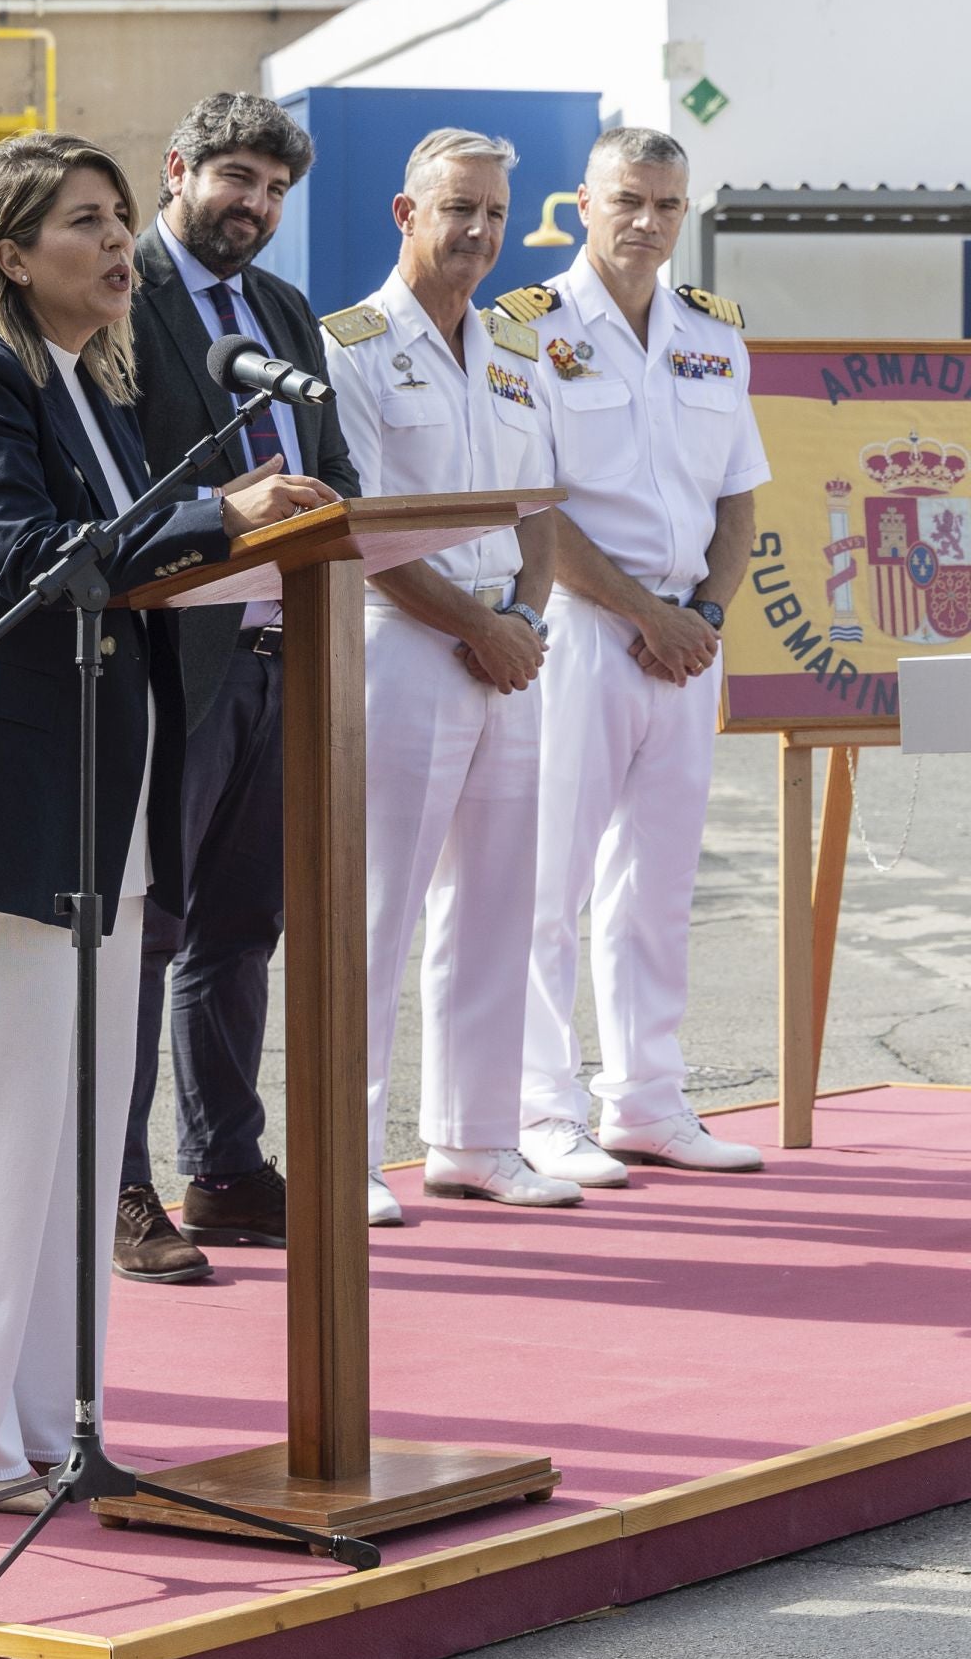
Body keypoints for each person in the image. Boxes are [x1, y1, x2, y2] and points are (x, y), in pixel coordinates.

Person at [0, 131, 325, 1510]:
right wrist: (214, 510)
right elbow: (31, 562)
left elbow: (133, 573)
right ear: (14, 253)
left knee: (72, 1128)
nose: (121, 243)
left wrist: (249, 536)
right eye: (86, 221)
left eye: (125, 218)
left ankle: (50, 1428)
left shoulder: (92, 382)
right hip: (4, 800)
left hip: (102, 800)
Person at [113, 94, 355, 1284]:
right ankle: (121, 1187)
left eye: (272, 190)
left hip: (276, 659)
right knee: (144, 937)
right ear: (179, 167)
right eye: (237, 179)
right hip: (169, 667)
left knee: (240, 929)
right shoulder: (125, 298)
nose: (253, 206)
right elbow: (109, 489)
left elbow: (339, 473)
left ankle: (225, 1169)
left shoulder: (282, 312)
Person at [322, 126, 582, 1228]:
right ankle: (343, 1154)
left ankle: (475, 1139)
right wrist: (480, 624)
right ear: (404, 215)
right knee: (372, 911)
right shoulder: (349, 344)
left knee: (496, 902)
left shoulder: (514, 350)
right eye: (455, 210)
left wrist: (520, 617)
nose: (476, 233)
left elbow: (539, 509)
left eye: (490, 214)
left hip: (509, 654)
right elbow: (358, 525)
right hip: (403, 644)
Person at [501, 126, 770, 1187]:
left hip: (682, 643)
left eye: (664, 204)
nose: (645, 223)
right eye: (625, 201)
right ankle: (538, 1108)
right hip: (576, 637)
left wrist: (702, 611)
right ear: (579, 202)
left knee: (655, 885)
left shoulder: (712, 334)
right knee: (545, 883)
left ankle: (646, 1100)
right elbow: (530, 507)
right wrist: (641, 615)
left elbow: (738, 496)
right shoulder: (525, 331)